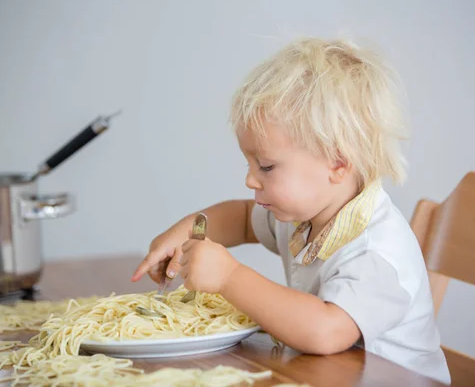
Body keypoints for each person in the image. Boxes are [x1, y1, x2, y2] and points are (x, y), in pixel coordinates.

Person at [131, 37, 451, 385]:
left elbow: (325, 332)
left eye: (266, 167)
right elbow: (239, 219)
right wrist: (181, 235)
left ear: (337, 164)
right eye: (249, 163)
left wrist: (228, 277)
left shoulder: (378, 253)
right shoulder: (305, 214)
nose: (250, 180)